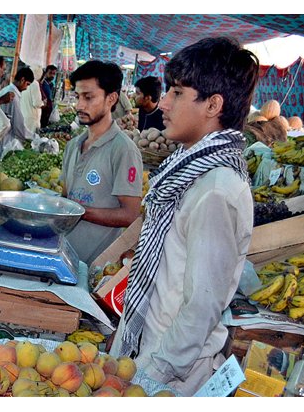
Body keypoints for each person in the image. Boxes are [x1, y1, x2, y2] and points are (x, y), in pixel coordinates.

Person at [109, 37, 260, 396]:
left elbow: (202, 306)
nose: (163, 102)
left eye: (177, 92)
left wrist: (151, 375)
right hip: (151, 354)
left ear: (213, 105)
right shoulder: (190, 171)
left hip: (171, 376)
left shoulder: (215, 190)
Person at [60, 60, 143, 266]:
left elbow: (131, 214)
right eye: (78, 97)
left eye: (88, 97)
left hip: (95, 267)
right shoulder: (72, 146)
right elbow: (65, 197)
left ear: (111, 98)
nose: (79, 105)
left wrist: (80, 212)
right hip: (63, 257)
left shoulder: (123, 150)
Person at [0, 67, 36, 161]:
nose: (26, 88)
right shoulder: (12, 96)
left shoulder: (8, 90)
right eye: (27, 84)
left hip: (1, 139)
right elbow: (19, 127)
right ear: (22, 80)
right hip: (3, 141)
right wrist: (35, 138)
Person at [20, 65, 45, 133]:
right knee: (31, 140)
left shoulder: (24, 82)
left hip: (24, 115)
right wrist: (43, 103)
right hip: (32, 119)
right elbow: (37, 103)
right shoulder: (34, 83)